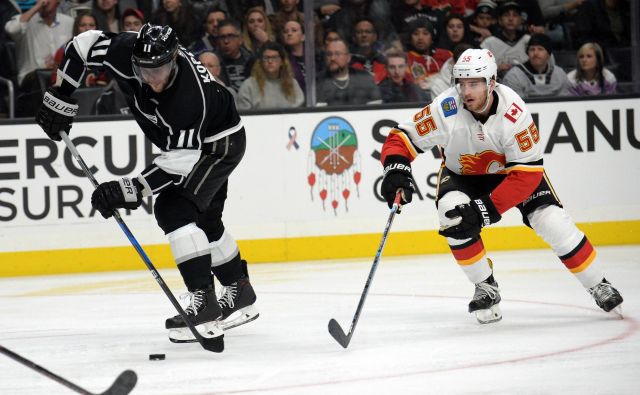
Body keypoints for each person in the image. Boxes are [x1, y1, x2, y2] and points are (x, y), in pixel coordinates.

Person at [35, 23, 259, 347]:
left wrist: (126, 190)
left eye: (162, 69)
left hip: (217, 145)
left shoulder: (188, 98)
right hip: (202, 141)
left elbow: (180, 161)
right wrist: (61, 93)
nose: (154, 78)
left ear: (175, 59)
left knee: (175, 209)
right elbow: (84, 45)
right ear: (135, 60)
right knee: (206, 218)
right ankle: (240, 291)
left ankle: (204, 303)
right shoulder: (124, 52)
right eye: (145, 69)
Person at [379, 48, 623, 324]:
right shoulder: (445, 108)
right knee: (451, 214)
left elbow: (527, 175)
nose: (466, 90)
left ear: (491, 83)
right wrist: (396, 169)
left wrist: (486, 210)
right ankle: (486, 286)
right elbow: (402, 137)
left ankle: (598, 283)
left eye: (474, 83)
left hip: (513, 174)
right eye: (462, 82)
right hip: (464, 173)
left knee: (552, 221)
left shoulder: (514, 113)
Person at [237, 41, 304, 110]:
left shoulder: (292, 84)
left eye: (274, 57)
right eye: (266, 58)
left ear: (282, 62)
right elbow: (244, 116)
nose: (270, 61)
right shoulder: (249, 85)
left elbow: (298, 113)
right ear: (261, 62)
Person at [501, 33, 571, 98]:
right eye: (532, 49)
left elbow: (567, 101)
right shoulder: (514, 75)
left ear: (549, 55)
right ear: (527, 53)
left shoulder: (559, 74)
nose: (535, 53)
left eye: (540, 49)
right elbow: (515, 104)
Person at [316, 38, 381, 106]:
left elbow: (376, 109)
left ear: (348, 58)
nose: (332, 58)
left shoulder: (365, 78)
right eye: (329, 54)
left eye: (337, 54)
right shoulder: (318, 81)